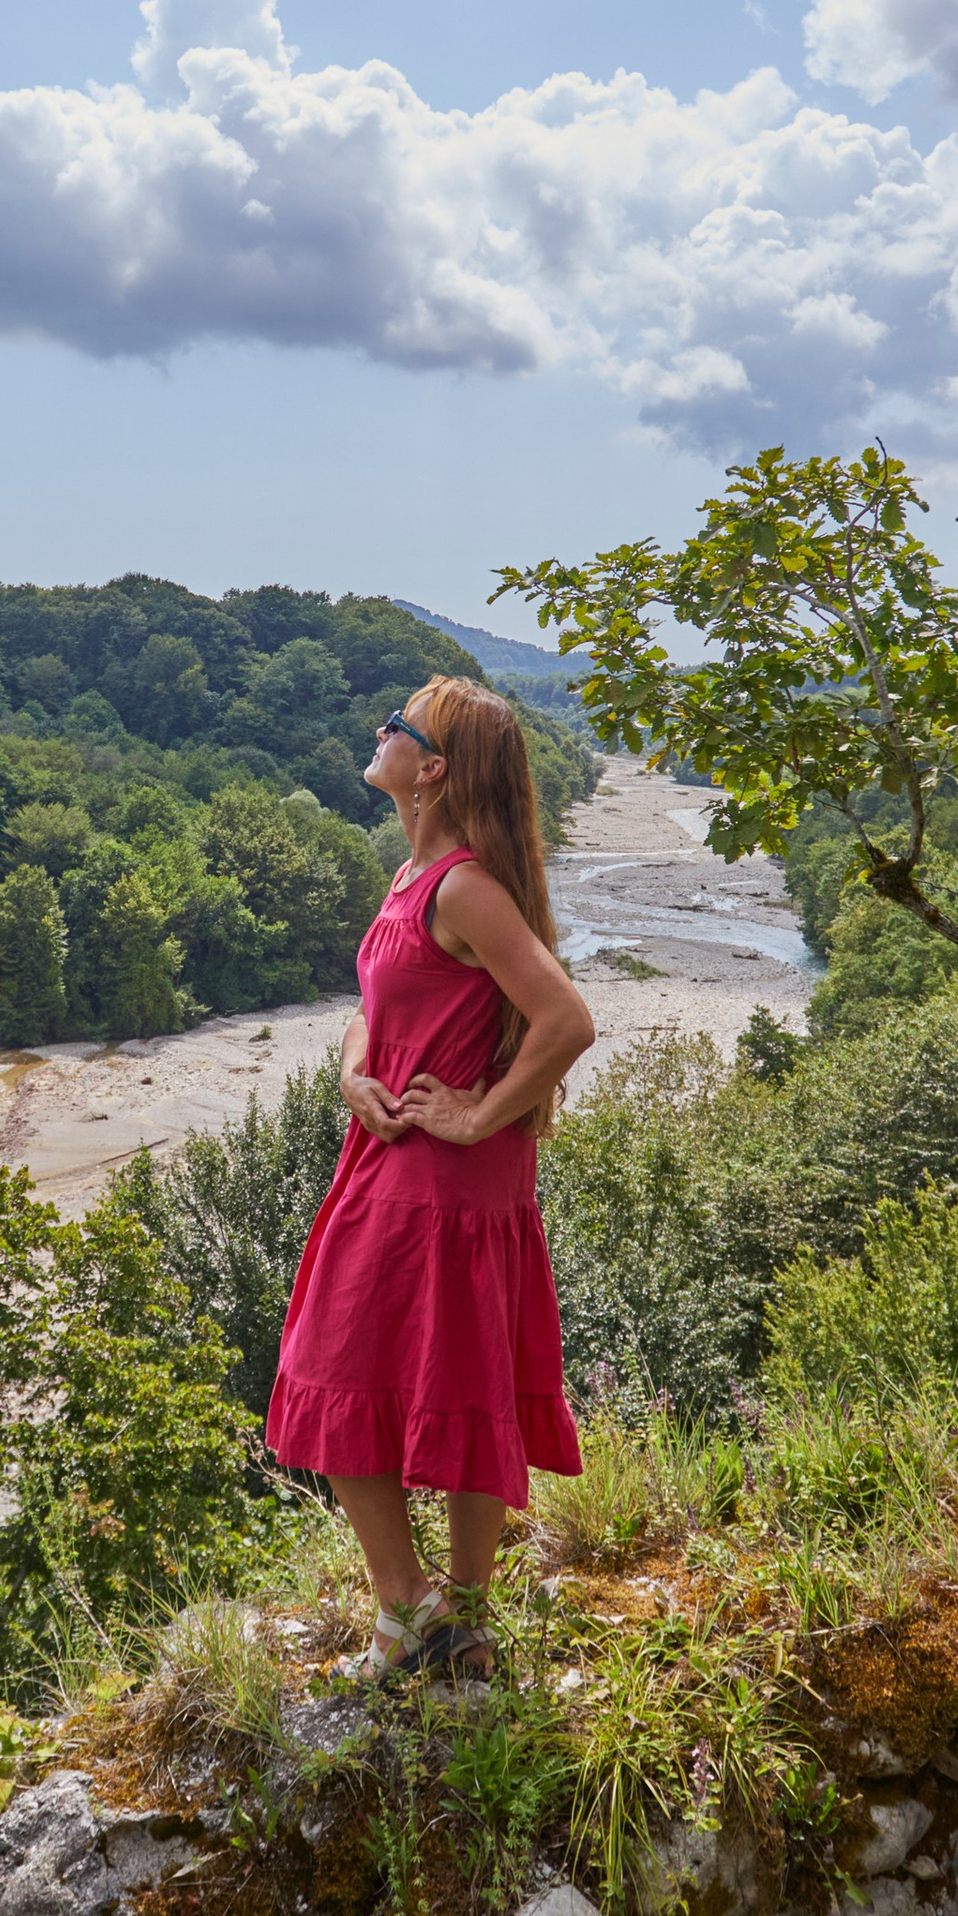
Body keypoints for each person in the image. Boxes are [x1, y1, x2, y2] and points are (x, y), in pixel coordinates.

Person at [266, 676, 594, 1687]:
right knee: (436, 1379)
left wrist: (481, 1111)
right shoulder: (414, 880)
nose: (379, 731)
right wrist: (352, 1066)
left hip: (439, 1182)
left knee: (338, 1362)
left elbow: (567, 1022)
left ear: (433, 769)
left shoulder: (462, 887)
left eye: (397, 726)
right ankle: (449, 1617)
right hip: (407, 1161)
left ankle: (419, 1610)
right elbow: (379, 998)